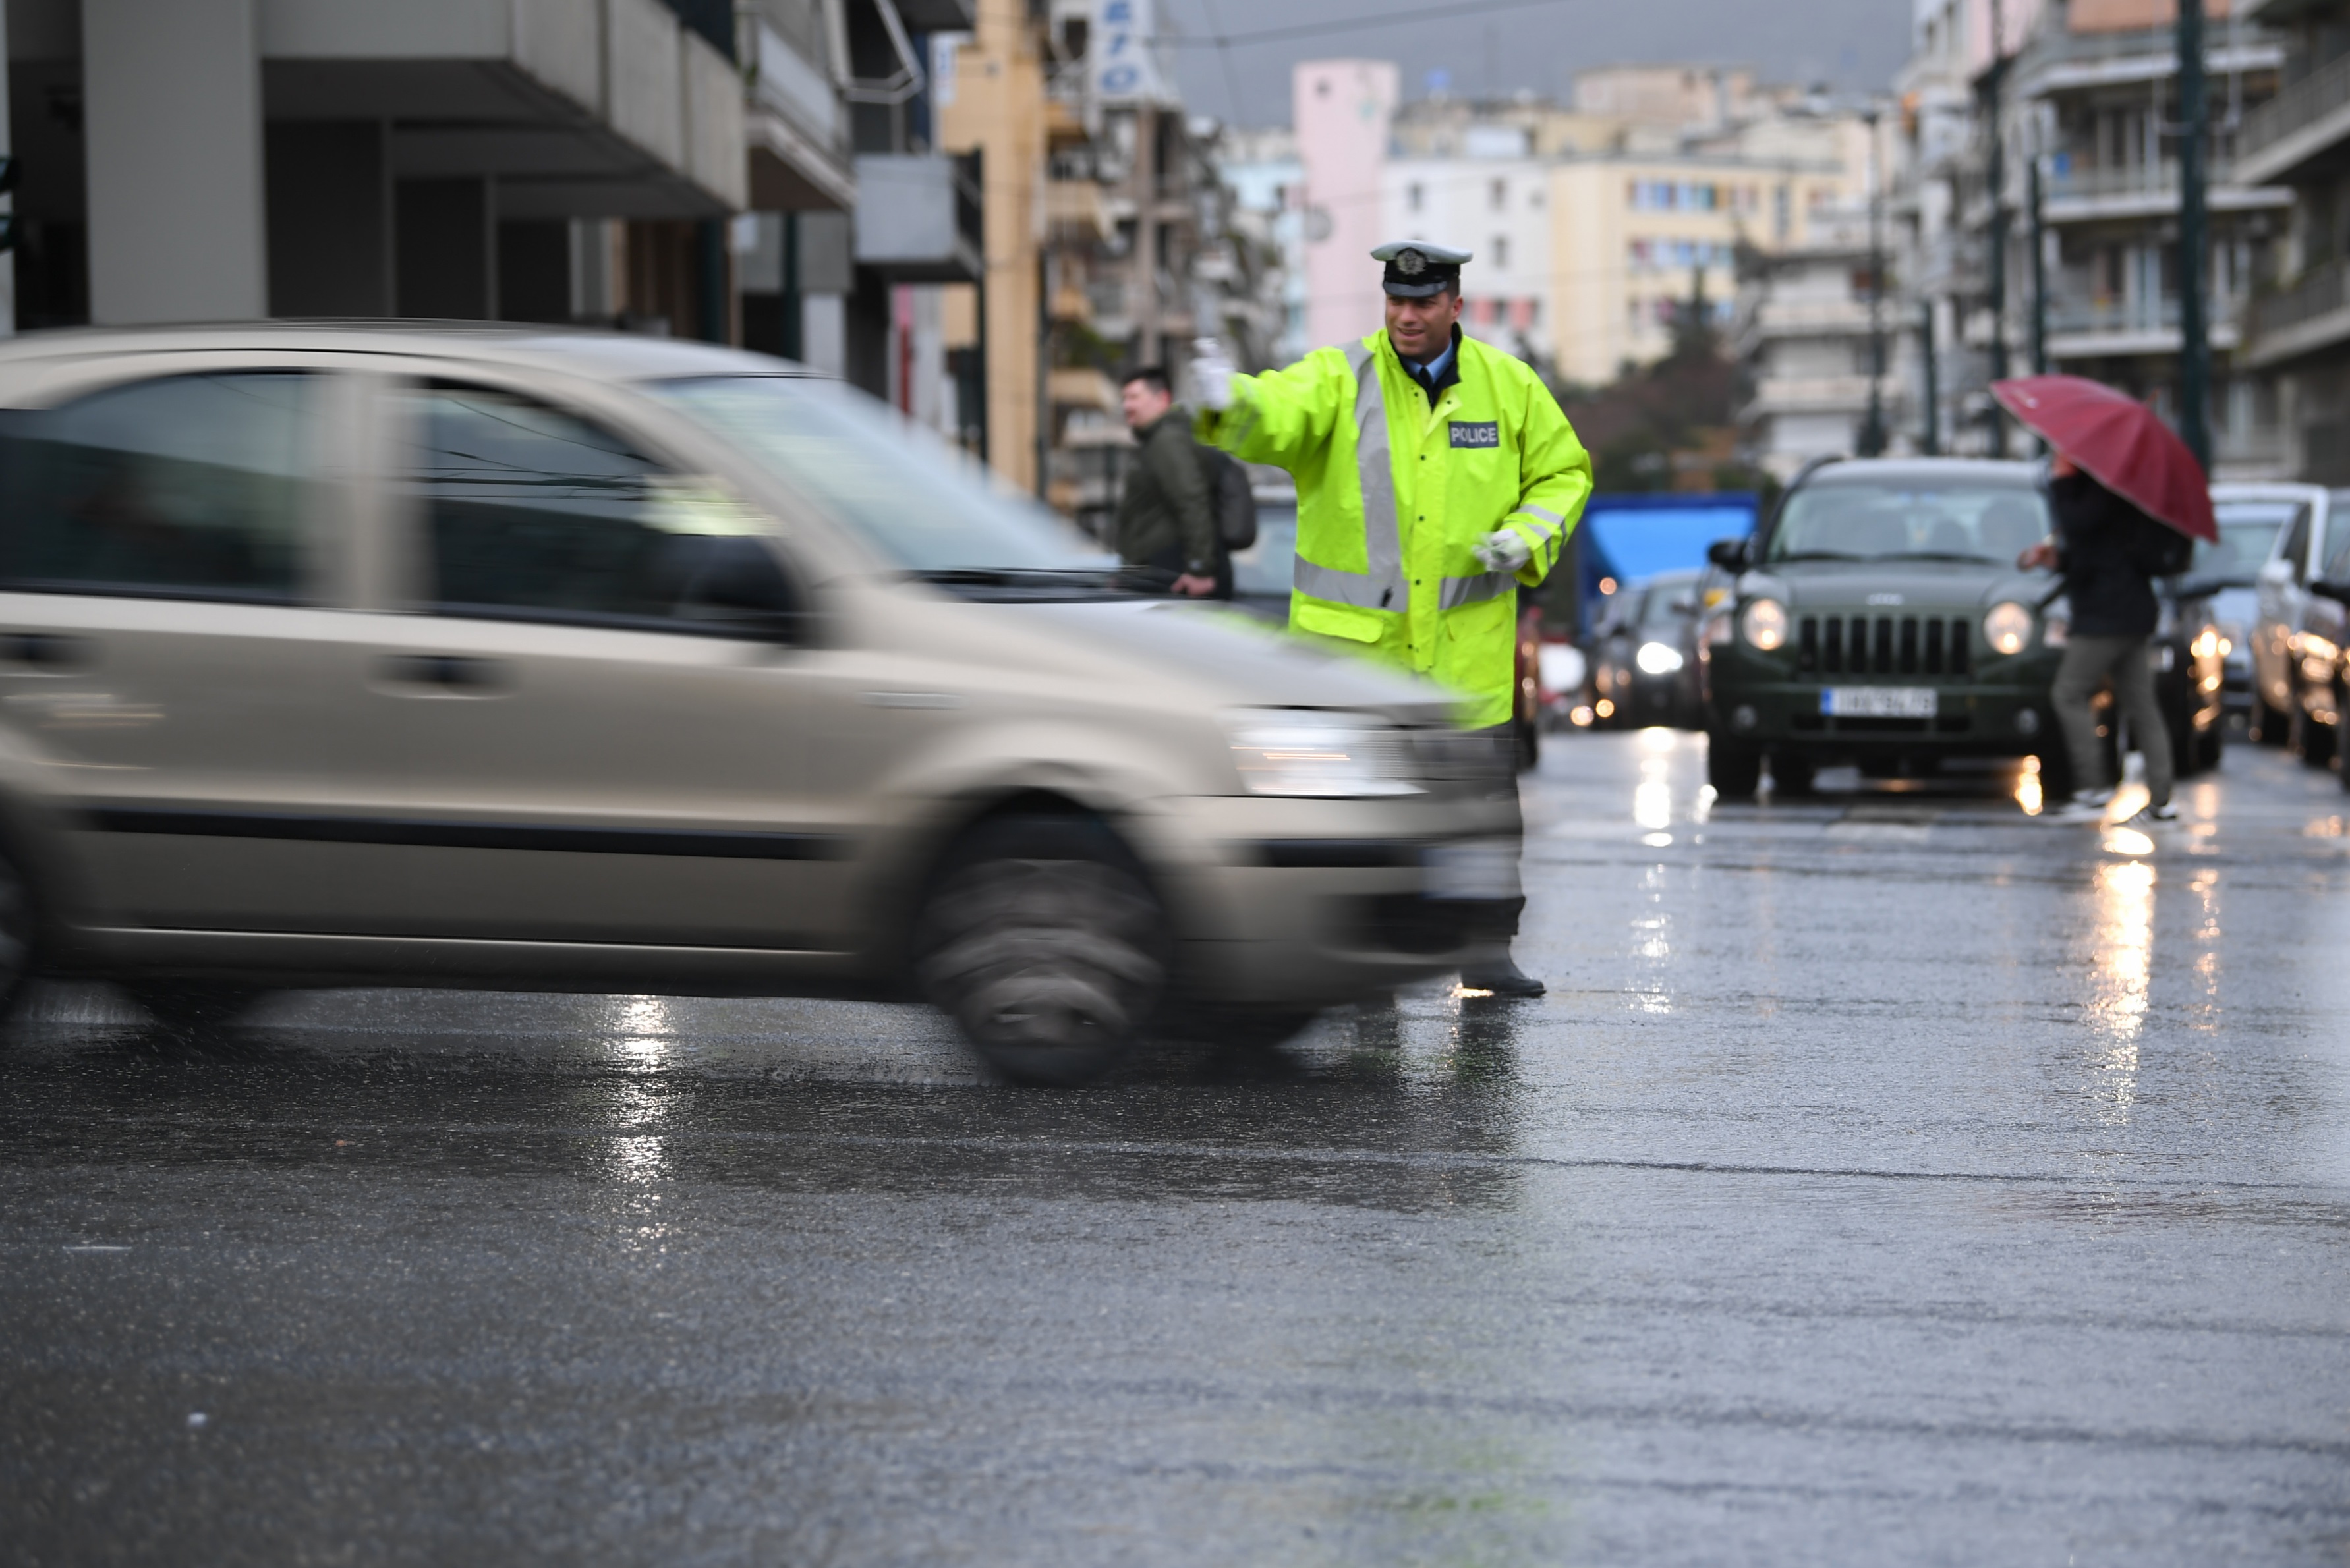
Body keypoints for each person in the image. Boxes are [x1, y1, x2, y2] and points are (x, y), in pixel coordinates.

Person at [1190, 240, 1593, 997]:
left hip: (1463, 662)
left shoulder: (1508, 387)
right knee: (1356, 820)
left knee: (1478, 821)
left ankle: (1484, 949)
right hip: (1356, 668)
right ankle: (1352, 955)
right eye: (1395, 302)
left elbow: (1563, 472)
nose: (1406, 316)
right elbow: (1273, 415)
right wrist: (1226, 400)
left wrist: (1529, 535)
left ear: (1454, 306)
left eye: (1422, 303)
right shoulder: (1340, 380)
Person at [2019, 451, 2188, 826]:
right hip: (2128, 611)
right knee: (2140, 703)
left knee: (2069, 692)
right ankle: (2162, 800)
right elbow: (2092, 554)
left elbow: (2079, 527)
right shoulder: (2111, 490)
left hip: (2106, 616)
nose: (2058, 456)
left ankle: (2092, 788)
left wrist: (2063, 481)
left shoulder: (2098, 489)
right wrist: (2057, 562)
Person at [1114, 366, 1218, 598]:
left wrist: (1200, 569)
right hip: (1159, 572)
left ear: (1162, 399)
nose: (1126, 406)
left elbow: (1192, 500)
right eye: (1124, 399)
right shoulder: (1158, 441)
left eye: (1134, 397)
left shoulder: (1167, 441)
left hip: (1171, 575)